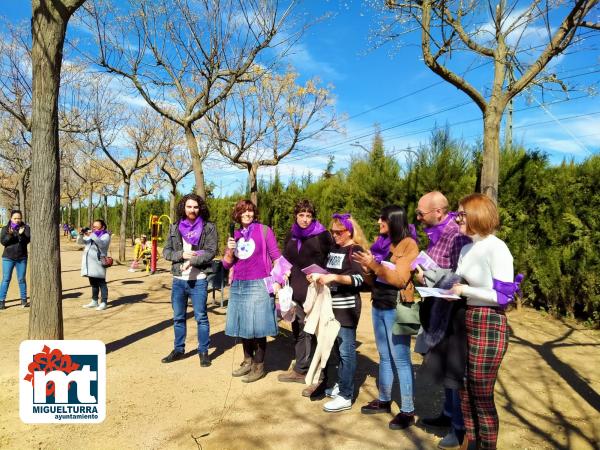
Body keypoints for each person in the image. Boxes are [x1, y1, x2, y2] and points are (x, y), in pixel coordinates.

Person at [450, 193, 520, 450]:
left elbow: (503, 296)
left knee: (481, 393)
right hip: (467, 318)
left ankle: (488, 446)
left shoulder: (497, 247)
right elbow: (456, 282)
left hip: (490, 323)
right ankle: (472, 442)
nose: (457, 218)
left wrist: (465, 291)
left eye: (461, 214)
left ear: (477, 215)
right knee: (465, 389)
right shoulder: (467, 248)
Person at [353, 205, 419, 430]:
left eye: (383, 219)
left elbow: (401, 279)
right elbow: (373, 281)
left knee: (400, 358)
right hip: (378, 304)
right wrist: (367, 269)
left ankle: (408, 411)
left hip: (397, 307)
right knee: (384, 355)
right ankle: (383, 399)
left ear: (394, 221)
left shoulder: (409, 244)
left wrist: (375, 265)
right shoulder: (380, 243)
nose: (378, 222)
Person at [415, 191, 471, 449]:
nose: (418, 217)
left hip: (450, 313)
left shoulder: (456, 234)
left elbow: (460, 275)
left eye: (421, 213)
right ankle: (447, 415)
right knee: (441, 366)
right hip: (435, 307)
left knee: (452, 371)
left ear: (438, 212)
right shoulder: (436, 233)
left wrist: (427, 276)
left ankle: (458, 428)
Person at [305, 213, 368, 412]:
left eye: (339, 232)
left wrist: (334, 278)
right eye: (332, 232)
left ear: (349, 231)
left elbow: (360, 280)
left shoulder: (355, 250)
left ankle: (346, 395)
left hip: (346, 309)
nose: (334, 235)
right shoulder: (335, 249)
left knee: (346, 352)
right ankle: (342, 383)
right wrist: (318, 277)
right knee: (337, 349)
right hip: (329, 307)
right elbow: (328, 272)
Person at [222, 199, 284, 383]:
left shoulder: (264, 230)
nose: (247, 214)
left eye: (250, 211)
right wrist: (229, 249)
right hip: (239, 284)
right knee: (243, 326)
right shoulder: (235, 234)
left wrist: (278, 281)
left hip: (259, 284)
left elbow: (277, 257)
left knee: (259, 326)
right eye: (243, 211)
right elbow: (226, 263)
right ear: (237, 214)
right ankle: (247, 360)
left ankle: (259, 365)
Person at [278, 199, 334, 384]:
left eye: (308, 215)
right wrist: (282, 273)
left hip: (315, 290)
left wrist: (322, 275)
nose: (305, 219)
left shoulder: (323, 235)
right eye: (301, 215)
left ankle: (319, 372)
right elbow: (286, 258)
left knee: (317, 330)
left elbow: (332, 261)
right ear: (296, 216)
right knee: (299, 330)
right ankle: (301, 369)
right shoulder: (292, 234)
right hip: (295, 291)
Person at [162, 194, 218, 367]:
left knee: (201, 317)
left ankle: (203, 351)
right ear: (183, 208)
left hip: (199, 280)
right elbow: (166, 252)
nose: (192, 210)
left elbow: (211, 251)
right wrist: (182, 255)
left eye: (195, 207)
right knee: (178, 317)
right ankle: (179, 349)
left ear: (200, 208)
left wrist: (192, 261)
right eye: (189, 207)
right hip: (179, 280)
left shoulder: (208, 227)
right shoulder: (174, 228)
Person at [0, 210, 31, 309]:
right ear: (11, 218)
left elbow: (27, 241)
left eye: (19, 218)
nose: (17, 220)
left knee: (21, 279)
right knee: (6, 279)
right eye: (15, 218)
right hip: (8, 258)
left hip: (21, 258)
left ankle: (23, 300)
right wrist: (12, 234)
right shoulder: (5, 228)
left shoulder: (26, 228)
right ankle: (1, 301)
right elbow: (4, 242)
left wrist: (21, 234)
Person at [79, 219, 111, 311]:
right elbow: (80, 242)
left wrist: (91, 235)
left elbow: (102, 244)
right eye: (93, 227)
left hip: (99, 262)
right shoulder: (92, 235)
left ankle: (104, 302)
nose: (94, 228)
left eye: (96, 226)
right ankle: (94, 301)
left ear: (103, 227)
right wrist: (81, 234)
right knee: (93, 283)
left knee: (102, 283)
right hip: (90, 263)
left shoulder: (105, 235)